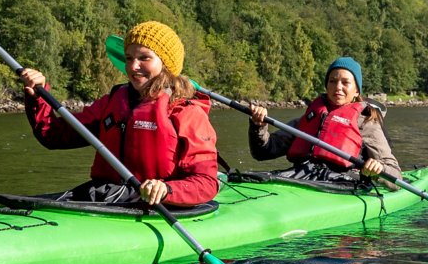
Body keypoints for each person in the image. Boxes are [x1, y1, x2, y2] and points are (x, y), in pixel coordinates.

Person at [20, 21, 218, 207]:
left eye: (144, 58)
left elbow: (207, 182)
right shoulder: (112, 102)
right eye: (129, 58)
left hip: (154, 203)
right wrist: (37, 97)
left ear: (166, 64)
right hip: (106, 195)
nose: (133, 67)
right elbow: (52, 135)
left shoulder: (186, 112)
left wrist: (166, 189)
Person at [246, 56, 399, 186]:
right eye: (333, 81)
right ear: (327, 86)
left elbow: (395, 175)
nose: (338, 87)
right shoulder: (307, 119)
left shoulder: (367, 124)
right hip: (300, 177)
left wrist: (378, 169)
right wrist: (258, 126)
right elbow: (262, 152)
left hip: (341, 184)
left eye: (345, 82)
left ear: (356, 91)